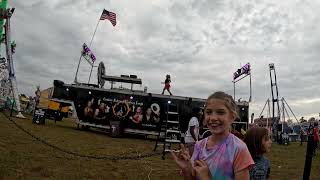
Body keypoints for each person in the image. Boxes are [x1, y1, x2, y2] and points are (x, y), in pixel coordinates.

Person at [171, 91, 254, 180]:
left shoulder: (238, 148)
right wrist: (187, 170)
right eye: (209, 112)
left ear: (232, 117)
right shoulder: (199, 146)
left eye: (220, 112)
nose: (213, 118)